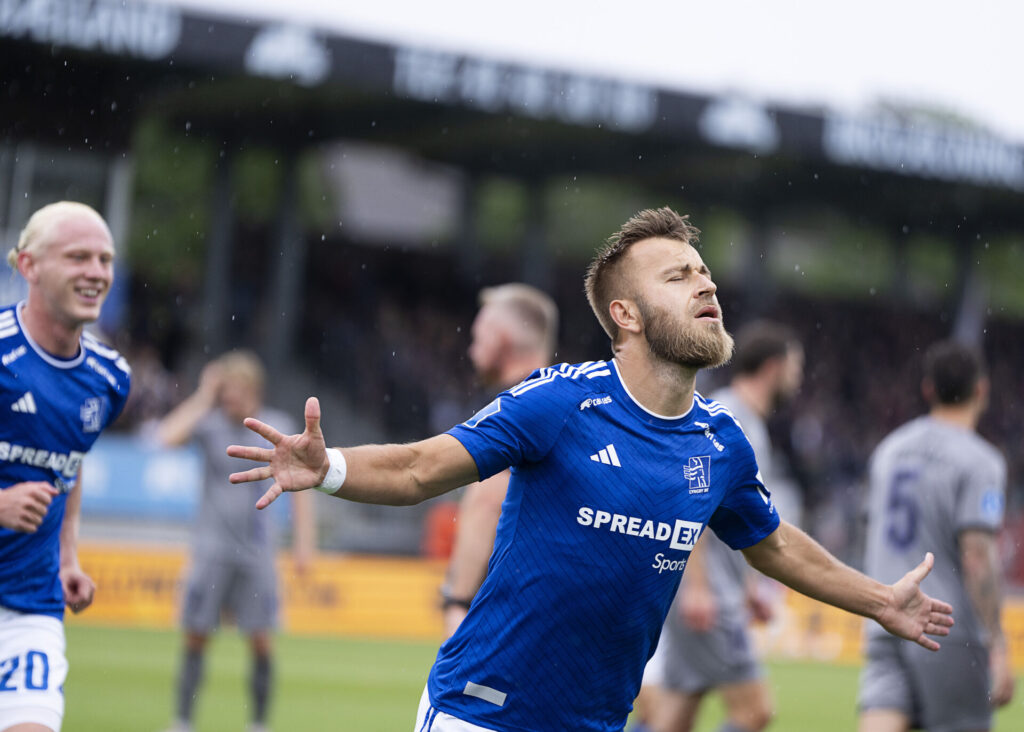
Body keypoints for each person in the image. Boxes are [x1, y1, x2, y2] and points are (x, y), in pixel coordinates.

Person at [228, 207, 954, 732]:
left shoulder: (722, 441)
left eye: (703, 273)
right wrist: (329, 468)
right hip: (483, 716)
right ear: (627, 315)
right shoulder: (561, 401)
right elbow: (422, 469)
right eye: (677, 277)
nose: (705, 286)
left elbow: (775, 545)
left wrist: (878, 600)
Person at [0, 201, 130, 732]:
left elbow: (68, 466)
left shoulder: (110, 378)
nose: (96, 272)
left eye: (105, 259)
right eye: (78, 257)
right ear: (28, 265)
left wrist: (67, 557)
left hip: (31, 605)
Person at [638, 320, 803, 732]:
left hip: (714, 588)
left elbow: (732, 517)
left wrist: (748, 587)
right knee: (755, 711)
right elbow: (693, 504)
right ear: (773, 367)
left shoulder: (741, 419)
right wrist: (698, 587)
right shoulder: (732, 419)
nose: (798, 378)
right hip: (707, 593)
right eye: (796, 366)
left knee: (673, 716)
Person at [858, 340, 1014, 732]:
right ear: (982, 389)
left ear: (928, 389)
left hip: (885, 616)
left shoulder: (889, 450)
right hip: (947, 628)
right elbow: (977, 556)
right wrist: (997, 640)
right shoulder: (981, 462)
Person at [156, 351, 314, 732]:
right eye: (225, 392)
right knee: (196, 636)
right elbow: (165, 438)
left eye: (236, 392)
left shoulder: (277, 426)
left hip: (257, 553)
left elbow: (302, 490)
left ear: (255, 391)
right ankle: (182, 722)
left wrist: (304, 545)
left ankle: (258, 724)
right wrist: (203, 394)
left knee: (261, 640)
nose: (230, 400)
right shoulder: (208, 424)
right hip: (210, 549)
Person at [440, 283, 558, 636]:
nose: (472, 349)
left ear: (501, 338)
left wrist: (457, 602)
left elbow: (489, 499)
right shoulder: (561, 398)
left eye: (478, 337)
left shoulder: (517, 407)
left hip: (512, 611)